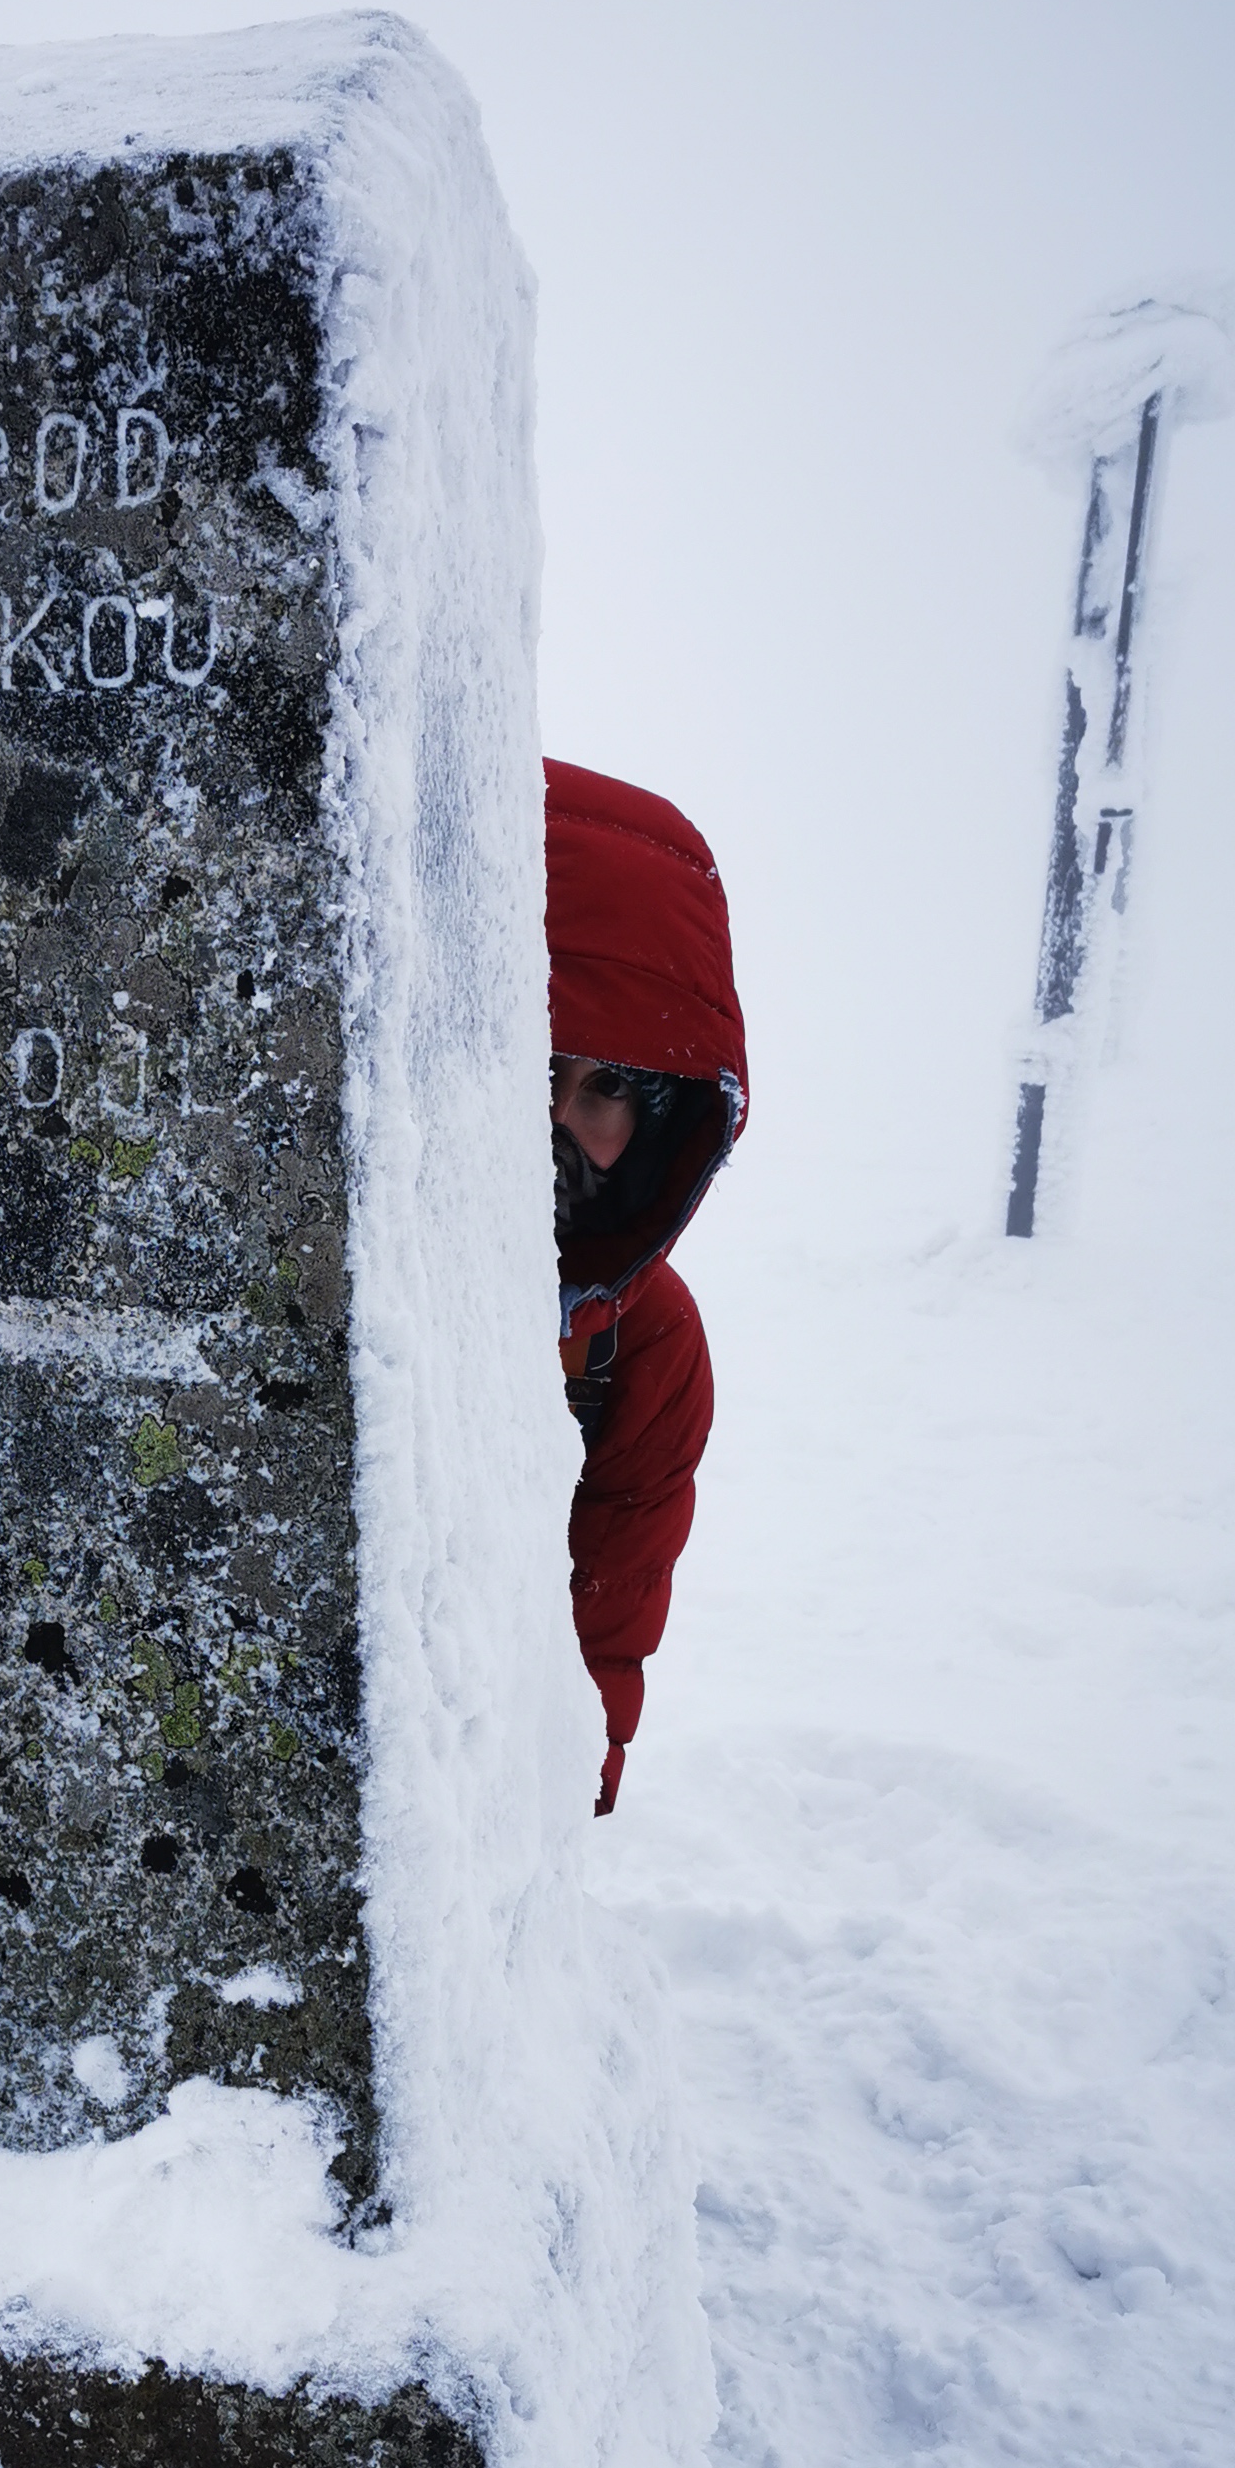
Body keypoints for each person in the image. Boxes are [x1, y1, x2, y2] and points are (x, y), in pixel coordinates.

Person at [545, 758, 749, 1814]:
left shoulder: (647, 1341)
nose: (560, 1121)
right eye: (542, 1066)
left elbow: (606, 1610)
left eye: (610, 1086)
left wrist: (569, 1787)